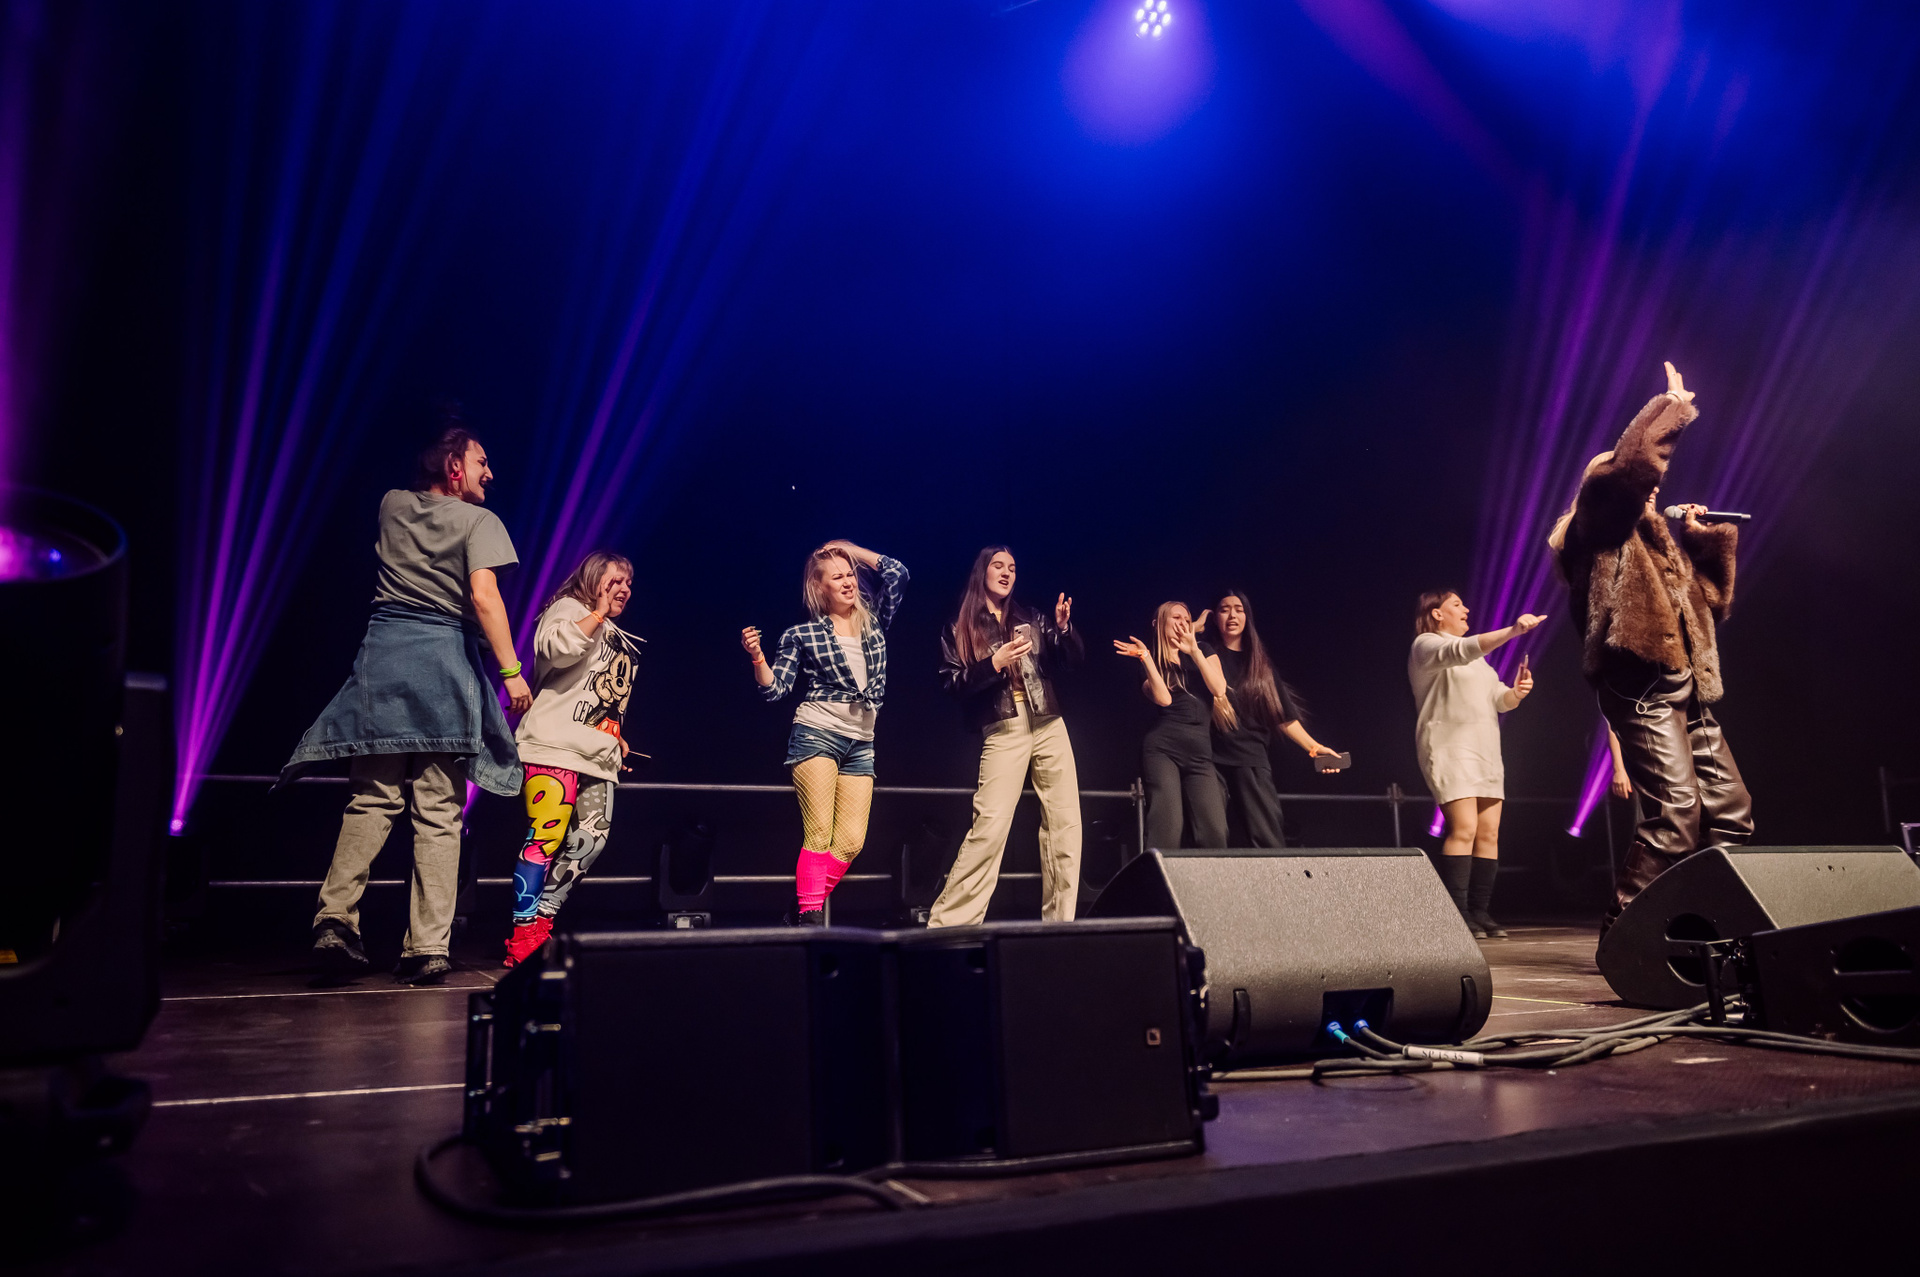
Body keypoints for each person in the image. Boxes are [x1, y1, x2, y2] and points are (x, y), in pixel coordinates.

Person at [286, 413, 530, 985]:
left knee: (371, 800)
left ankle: (335, 921)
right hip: (442, 665)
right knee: (439, 811)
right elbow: (485, 597)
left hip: (385, 661)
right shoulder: (480, 520)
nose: (490, 473)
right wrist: (512, 671)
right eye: (481, 461)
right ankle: (427, 947)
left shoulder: (391, 505)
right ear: (454, 466)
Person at [1548, 361, 1751, 923]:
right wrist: (1673, 406)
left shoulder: (1653, 544)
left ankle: (1717, 923)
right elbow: (1630, 471)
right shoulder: (1597, 533)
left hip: (1691, 691)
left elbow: (1710, 606)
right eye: (1644, 481)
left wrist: (1703, 542)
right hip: (1643, 691)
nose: (1655, 485)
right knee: (1676, 815)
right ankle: (1626, 931)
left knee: (1731, 811)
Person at [742, 541, 909, 925]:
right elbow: (775, 690)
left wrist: (849, 548)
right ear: (820, 587)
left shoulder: (873, 621)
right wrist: (757, 657)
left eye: (850, 575)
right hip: (817, 734)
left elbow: (898, 573)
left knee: (850, 842)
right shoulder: (801, 634)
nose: (848, 582)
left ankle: (802, 906)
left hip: (861, 742)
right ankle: (811, 919)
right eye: (838, 577)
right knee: (818, 834)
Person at [930, 546, 1084, 926]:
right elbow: (952, 684)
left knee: (1065, 825)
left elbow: (1071, 660)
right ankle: (948, 925)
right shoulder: (959, 626)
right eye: (998, 566)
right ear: (982, 571)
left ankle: (1060, 925)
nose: (1006, 573)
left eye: (1012, 568)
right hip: (1004, 724)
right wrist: (994, 664)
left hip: (1048, 721)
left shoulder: (1031, 616)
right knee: (991, 826)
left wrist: (1064, 629)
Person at [501, 551, 641, 968]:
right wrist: (596, 613)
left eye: (628, 584)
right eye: (615, 581)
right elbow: (556, 651)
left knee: (591, 842)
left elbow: (598, 693)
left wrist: (615, 733)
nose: (624, 589)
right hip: (554, 746)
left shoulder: (612, 630)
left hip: (597, 755)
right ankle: (523, 934)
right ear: (593, 579)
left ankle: (542, 920)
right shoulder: (567, 609)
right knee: (545, 838)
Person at [1408, 591, 1543, 938]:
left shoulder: (1481, 663)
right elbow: (1461, 650)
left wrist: (1516, 692)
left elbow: (1498, 699)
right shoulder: (1426, 645)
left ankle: (1481, 911)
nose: (1466, 609)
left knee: (1488, 833)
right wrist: (1513, 631)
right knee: (1464, 828)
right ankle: (1458, 913)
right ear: (1437, 614)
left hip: (1485, 750)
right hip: (1449, 746)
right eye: (1456, 605)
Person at [1210, 589, 1344, 847]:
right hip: (1211, 759)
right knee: (1210, 835)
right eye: (1224, 609)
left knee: (1268, 838)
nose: (1232, 615)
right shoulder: (1205, 655)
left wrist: (1315, 747)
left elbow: (1283, 716)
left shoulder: (1259, 665)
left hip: (1251, 757)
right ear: (1214, 617)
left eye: (1239, 609)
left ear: (1248, 617)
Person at [1116, 602, 1234, 851]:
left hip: (1200, 754)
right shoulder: (1152, 662)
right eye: (1176, 617)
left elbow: (1219, 689)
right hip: (1164, 749)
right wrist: (1146, 658)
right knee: (1167, 828)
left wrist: (1194, 652)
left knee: (1214, 831)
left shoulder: (1203, 649)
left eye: (1186, 618)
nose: (1182, 622)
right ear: (1159, 624)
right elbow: (1164, 699)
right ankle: (1156, 876)